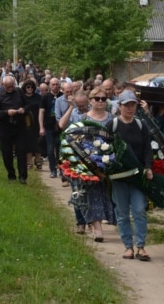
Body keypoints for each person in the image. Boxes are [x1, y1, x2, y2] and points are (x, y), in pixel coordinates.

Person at [106, 90, 154, 262]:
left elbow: (148, 149)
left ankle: (141, 246)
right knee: (122, 212)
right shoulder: (112, 125)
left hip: (137, 176)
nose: (130, 108)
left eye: (133, 104)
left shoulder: (141, 125)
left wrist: (148, 167)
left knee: (140, 209)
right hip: (118, 177)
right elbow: (104, 148)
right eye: (126, 105)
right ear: (120, 106)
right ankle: (128, 246)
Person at [77, 87, 117, 241]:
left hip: (107, 161)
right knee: (91, 193)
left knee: (105, 193)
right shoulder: (83, 118)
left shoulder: (111, 119)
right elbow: (75, 139)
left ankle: (100, 221)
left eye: (103, 98)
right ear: (90, 100)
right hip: (88, 162)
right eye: (97, 98)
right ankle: (97, 227)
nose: (100, 101)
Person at [57, 90, 92, 234]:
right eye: (79, 105)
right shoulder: (73, 112)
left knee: (90, 191)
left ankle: (91, 220)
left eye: (84, 105)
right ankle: (81, 222)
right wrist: (71, 107)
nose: (82, 107)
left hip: (90, 157)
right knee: (76, 190)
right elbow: (61, 125)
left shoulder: (93, 113)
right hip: (73, 157)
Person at [0, 75, 29, 184]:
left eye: (12, 86)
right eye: (8, 87)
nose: (10, 89)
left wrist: (23, 109)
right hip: (5, 127)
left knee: (21, 151)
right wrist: (6, 112)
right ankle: (11, 174)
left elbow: (27, 104)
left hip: (19, 126)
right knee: (6, 152)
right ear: (3, 85)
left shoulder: (19, 92)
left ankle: (23, 176)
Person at [21, 79, 43, 170]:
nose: (30, 89)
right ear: (25, 88)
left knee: (38, 142)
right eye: (28, 87)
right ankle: (29, 162)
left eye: (31, 87)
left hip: (37, 122)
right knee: (27, 142)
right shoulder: (22, 97)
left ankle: (38, 160)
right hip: (26, 122)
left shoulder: (38, 97)